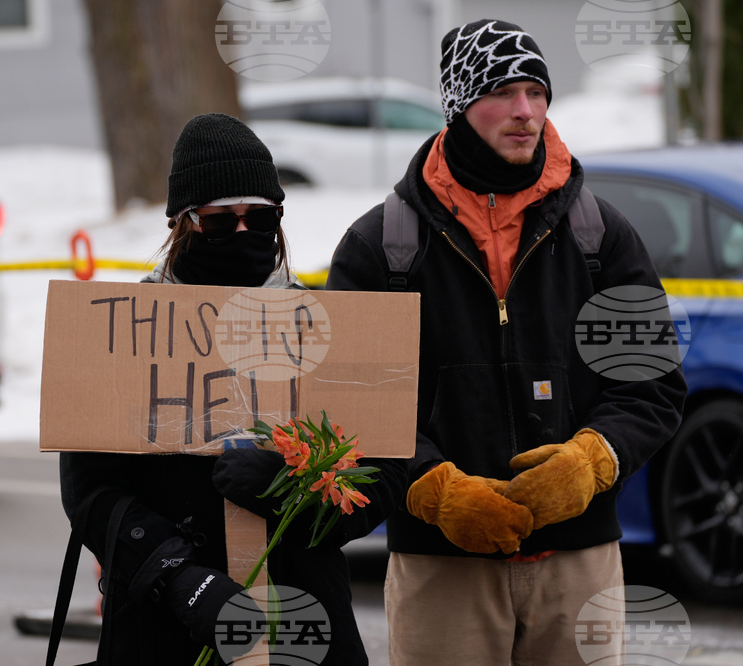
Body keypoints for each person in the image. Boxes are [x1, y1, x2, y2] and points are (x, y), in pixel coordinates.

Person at [324, 20, 687, 666]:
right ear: (459, 104)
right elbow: (347, 404)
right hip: (442, 569)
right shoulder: (380, 247)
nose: (525, 111)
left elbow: (653, 385)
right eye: (502, 91)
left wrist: (591, 460)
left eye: (536, 91)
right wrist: (433, 489)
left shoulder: (600, 236)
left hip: (581, 565)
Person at [59, 113, 404, 665]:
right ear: (184, 223)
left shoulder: (330, 328)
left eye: (262, 217)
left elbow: (383, 476)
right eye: (221, 222)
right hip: (167, 622)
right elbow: (90, 493)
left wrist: (290, 488)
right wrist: (182, 581)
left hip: (303, 621)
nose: (244, 234)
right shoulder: (124, 331)